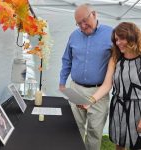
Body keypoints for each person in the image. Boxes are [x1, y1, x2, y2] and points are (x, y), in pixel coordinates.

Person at [59, 3, 113, 150]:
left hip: (99, 92)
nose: (82, 26)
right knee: (75, 129)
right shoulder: (73, 36)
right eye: (78, 23)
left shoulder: (112, 34)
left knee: (94, 132)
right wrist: (62, 83)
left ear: (94, 14)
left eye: (84, 20)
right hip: (75, 89)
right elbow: (66, 60)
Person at [82, 22, 141, 150]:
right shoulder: (115, 58)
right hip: (118, 107)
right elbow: (107, 85)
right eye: (116, 40)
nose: (118, 43)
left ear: (132, 36)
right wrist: (90, 101)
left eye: (121, 38)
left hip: (137, 109)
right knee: (119, 143)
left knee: (136, 144)